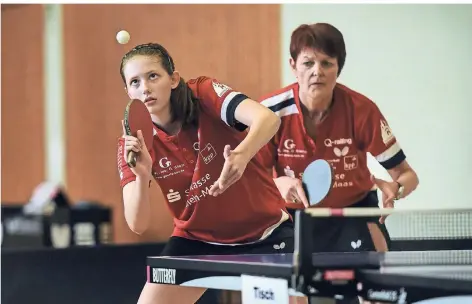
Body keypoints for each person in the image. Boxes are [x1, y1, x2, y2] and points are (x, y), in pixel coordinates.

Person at [116, 43, 305, 304]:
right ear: (127, 91)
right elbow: (137, 225)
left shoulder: (203, 94)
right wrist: (142, 174)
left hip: (264, 233)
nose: (145, 88)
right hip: (196, 241)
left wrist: (241, 155)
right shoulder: (133, 143)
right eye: (135, 82)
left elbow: (268, 120)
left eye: (153, 76)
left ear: (173, 79)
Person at [258, 22, 420, 255]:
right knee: (294, 285)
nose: (317, 71)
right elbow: (249, 179)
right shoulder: (270, 112)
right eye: (308, 63)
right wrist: (277, 183)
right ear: (293, 66)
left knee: (378, 266)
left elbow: (408, 176)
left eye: (327, 63)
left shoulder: (361, 110)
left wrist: (397, 189)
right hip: (292, 216)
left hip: (353, 210)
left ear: (338, 68)